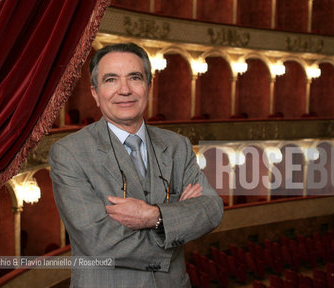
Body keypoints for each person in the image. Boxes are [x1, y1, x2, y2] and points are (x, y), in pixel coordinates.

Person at [48, 43, 223, 287]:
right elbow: (99, 241)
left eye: (135, 77)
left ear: (148, 87)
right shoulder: (69, 153)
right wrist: (177, 223)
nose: (125, 90)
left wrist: (155, 216)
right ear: (95, 93)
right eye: (111, 80)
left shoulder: (177, 146)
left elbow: (211, 209)